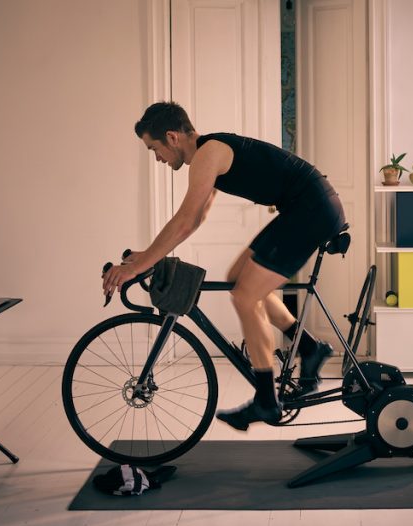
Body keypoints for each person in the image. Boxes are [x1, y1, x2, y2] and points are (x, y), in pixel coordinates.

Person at [102, 101, 345, 430]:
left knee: (246, 296)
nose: (157, 158)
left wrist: (138, 266)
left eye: (154, 148)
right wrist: (148, 254)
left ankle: (265, 402)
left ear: (172, 137)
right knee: (237, 279)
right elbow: (197, 218)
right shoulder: (209, 153)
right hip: (306, 206)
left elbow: (185, 222)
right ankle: (310, 348)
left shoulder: (207, 155)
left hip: (311, 209)